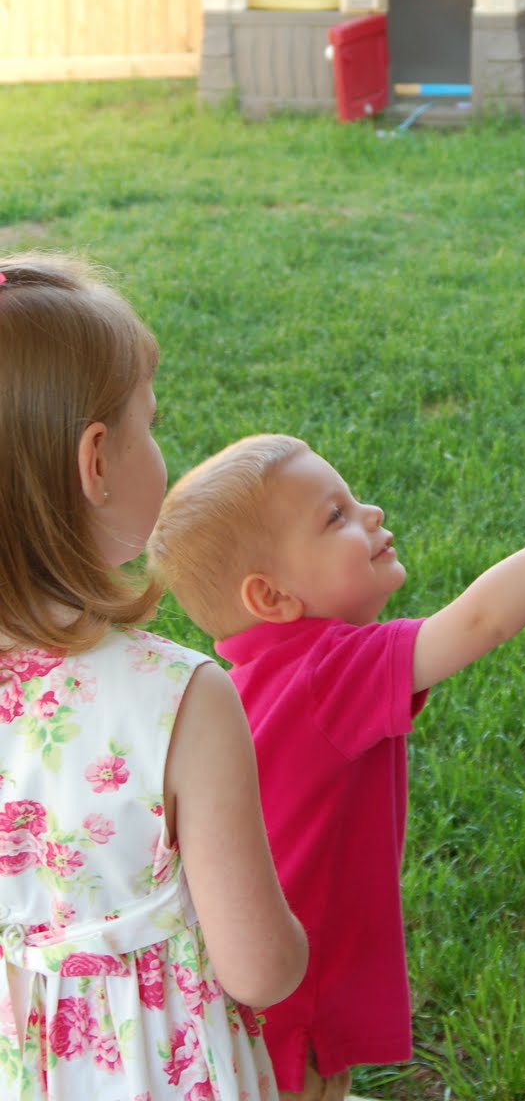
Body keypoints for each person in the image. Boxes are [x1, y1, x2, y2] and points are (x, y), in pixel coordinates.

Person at [148, 377, 525, 1101]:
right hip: (296, 994)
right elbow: (481, 621)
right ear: (271, 597)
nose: (371, 513)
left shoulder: (239, 683)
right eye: (336, 516)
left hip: (229, 994)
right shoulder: (325, 672)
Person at [0, 252, 308, 1101]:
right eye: (152, 422)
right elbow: (260, 969)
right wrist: (298, 938)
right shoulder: (178, 699)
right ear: (95, 462)